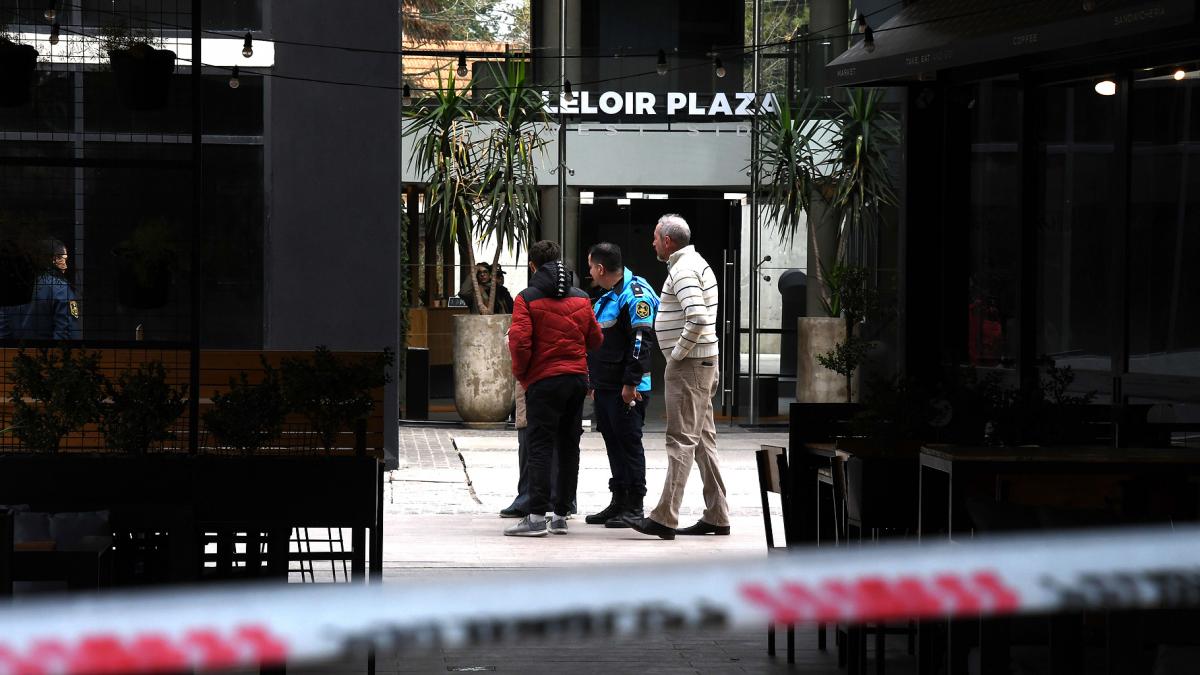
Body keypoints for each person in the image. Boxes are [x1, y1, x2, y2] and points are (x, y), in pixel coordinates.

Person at [625, 214, 729, 540]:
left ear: (667, 241)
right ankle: (717, 514)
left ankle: (664, 517)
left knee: (680, 442)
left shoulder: (683, 270)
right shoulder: (697, 263)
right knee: (702, 442)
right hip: (703, 364)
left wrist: (677, 357)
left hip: (690, 367)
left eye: (655, 237)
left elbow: (697, 318)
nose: (652, 242)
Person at [505, 240, 602, 536]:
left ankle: (535, 518)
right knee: (569, 445)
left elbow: (519, 342)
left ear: (533, 266)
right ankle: (561, 515)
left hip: (543, 381)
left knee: (540, 446)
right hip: (575, 381)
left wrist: (523, 374)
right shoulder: (582, 298)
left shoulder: (526, 298)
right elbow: (596, 339)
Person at [583, 242, 659, 528]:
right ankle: (619, 501)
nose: (589, 272)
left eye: (591, 267)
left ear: (600, 268)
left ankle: (635, 506)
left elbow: (641, 342)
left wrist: (630, 384)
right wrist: (594, 381)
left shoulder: (635, 293)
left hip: (628, 388)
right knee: (613, 445)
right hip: (606, 386)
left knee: (629, 445)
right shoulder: (607, 296)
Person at [9, 240, 80, 340]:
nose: (65, 266)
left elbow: (3, 329)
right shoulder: (61, 289)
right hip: (46, 353)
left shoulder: (13, 286)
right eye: (60, 259)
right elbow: (67, 333)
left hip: (16, 353)